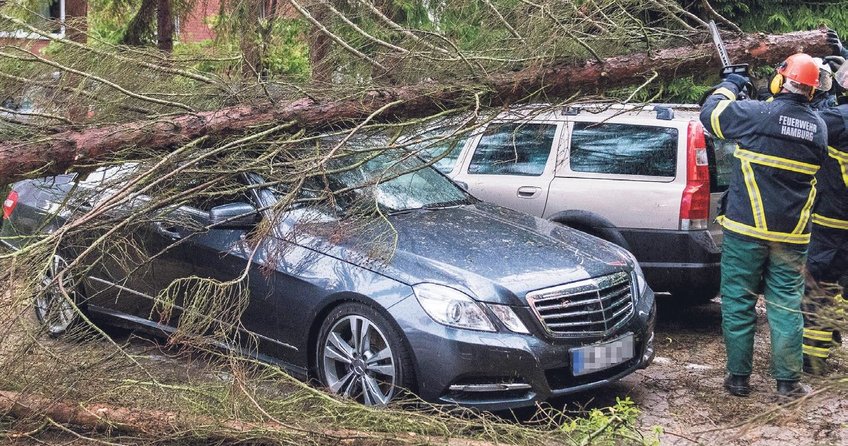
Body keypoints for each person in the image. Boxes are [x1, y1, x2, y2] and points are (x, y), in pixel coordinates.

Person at [700, 53, 828, 399]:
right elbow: (785, 125)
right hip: (792, 234)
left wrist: (731, 84)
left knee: (738, 301)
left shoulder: (756, 114)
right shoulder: (819, 127)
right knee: (786, 305)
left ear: (780, 80)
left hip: (746, 229)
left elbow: (709, 115)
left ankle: (738, 379)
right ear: (813, 91)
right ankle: (787, 383)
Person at [803, 57, 848, 374]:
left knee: (819, 288)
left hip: (831, 226)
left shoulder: (840, 120)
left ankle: (815, 360)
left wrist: (818, 88)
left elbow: (808, 124)